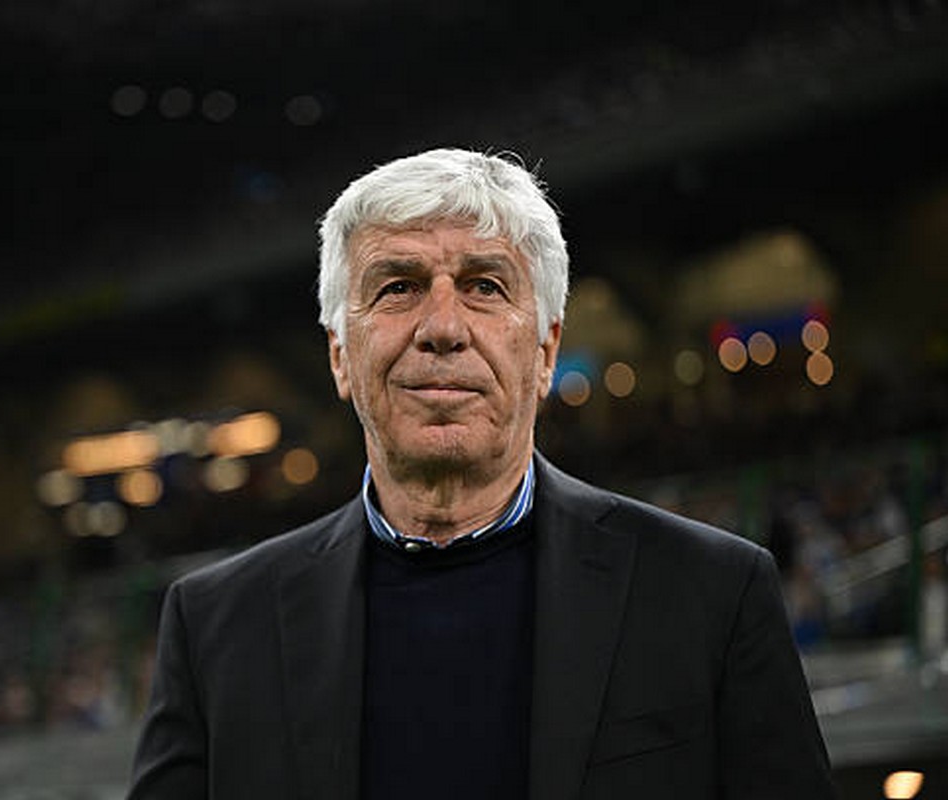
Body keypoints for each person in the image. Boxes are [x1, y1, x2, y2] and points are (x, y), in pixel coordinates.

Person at [127, 149, 836, 799]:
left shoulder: (713, 593)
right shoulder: (216, 627)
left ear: (546, 351)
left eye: (485, 286)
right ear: (340, 354)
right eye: (398, 287)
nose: (443, 327)